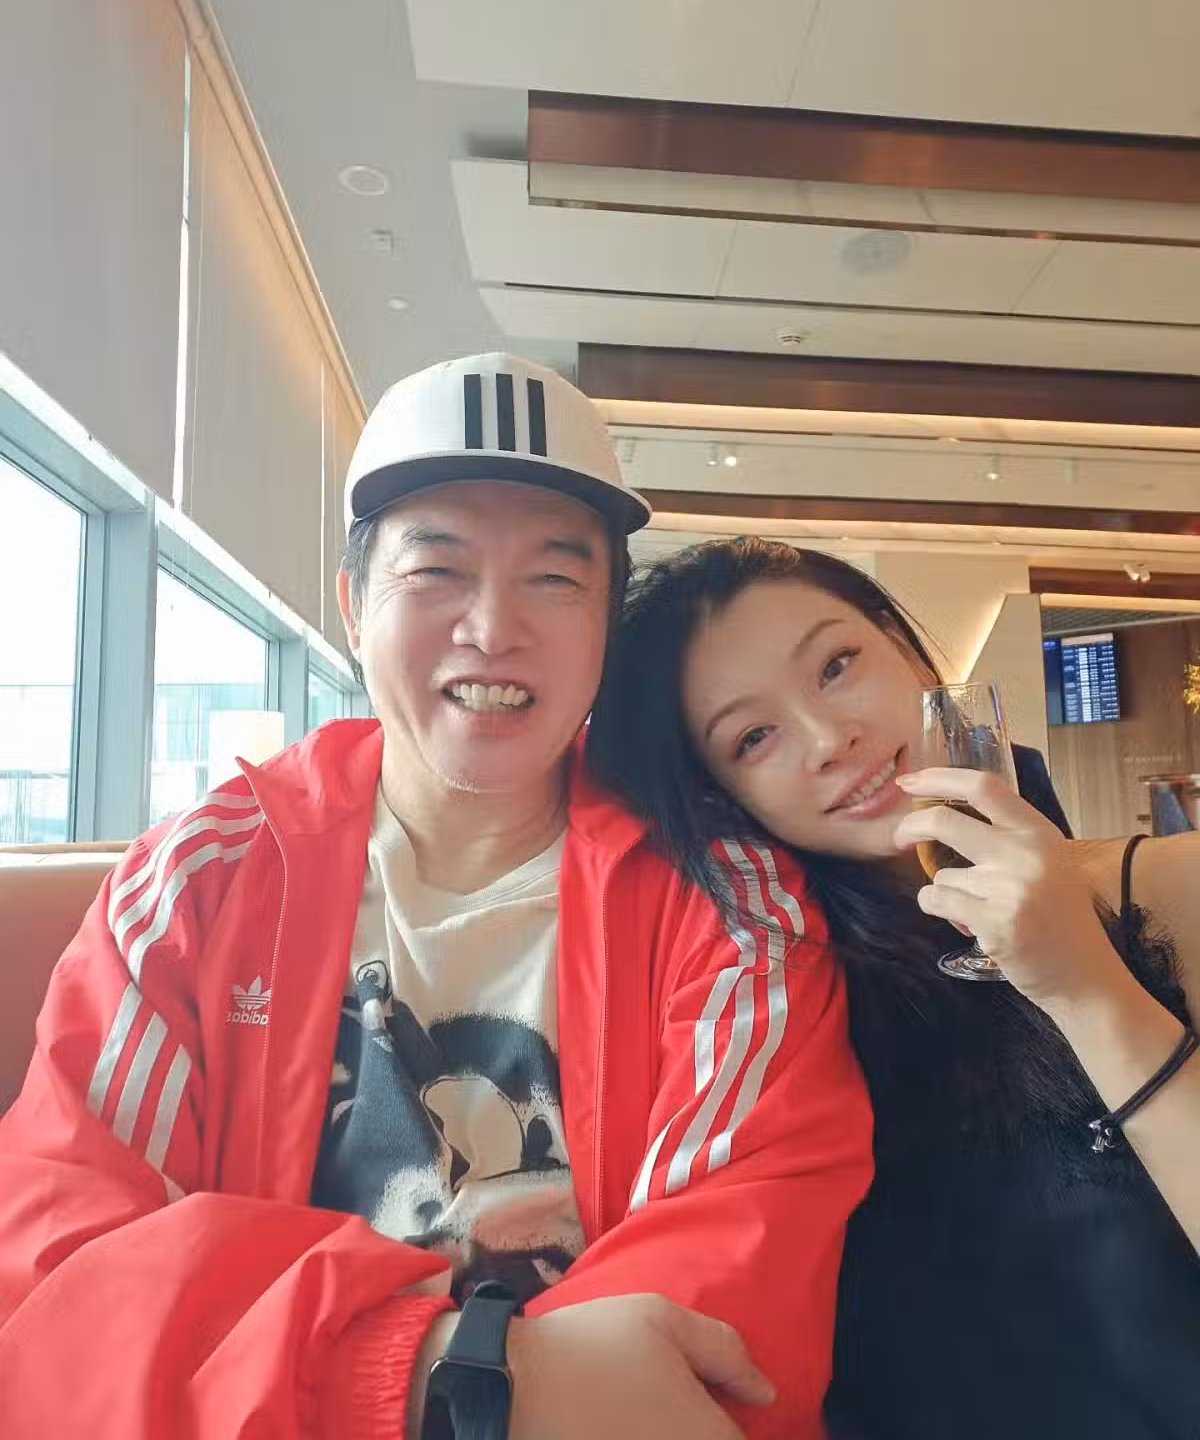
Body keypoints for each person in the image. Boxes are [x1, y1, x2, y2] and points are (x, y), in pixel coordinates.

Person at [0, 360, 871, 1440]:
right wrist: (440, 1375)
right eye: (437, 569)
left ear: (607, 625)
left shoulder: (727, 907)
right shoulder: (198, 884)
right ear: (354, 605)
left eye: (555, 578)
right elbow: (59, 1276)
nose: (493, 627)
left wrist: (266, 1343)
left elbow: (726, 1333)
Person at [586, 536, 1200, 1440]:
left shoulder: (1169, 887)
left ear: (907, 650)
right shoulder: (773, 1010)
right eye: (753, 738)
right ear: (721, 797)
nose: (829, 739)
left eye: (837, 666)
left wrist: (1086, 984)